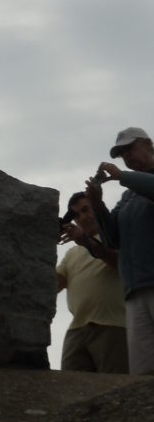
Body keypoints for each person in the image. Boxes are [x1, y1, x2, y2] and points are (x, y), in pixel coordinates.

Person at [87, 127, 154, 375]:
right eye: (121, 153)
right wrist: (96, 203)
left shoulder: (131, 185)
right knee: (142, 376)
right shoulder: (128, 196)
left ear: (149, 144)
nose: (126, 156)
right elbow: (112, 239)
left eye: (130, 148)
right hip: (135, 292)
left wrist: (122, 176)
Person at [57, 191, 128, 373]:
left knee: (115, 390)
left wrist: (85, 241)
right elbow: (53, 285)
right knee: (71, 392)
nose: (83, 217)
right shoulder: (72, 253)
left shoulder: (116, 238)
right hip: (77, 329)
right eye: (77, 215)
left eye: (86, 210)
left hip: (113, 326)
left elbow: (121, 263)